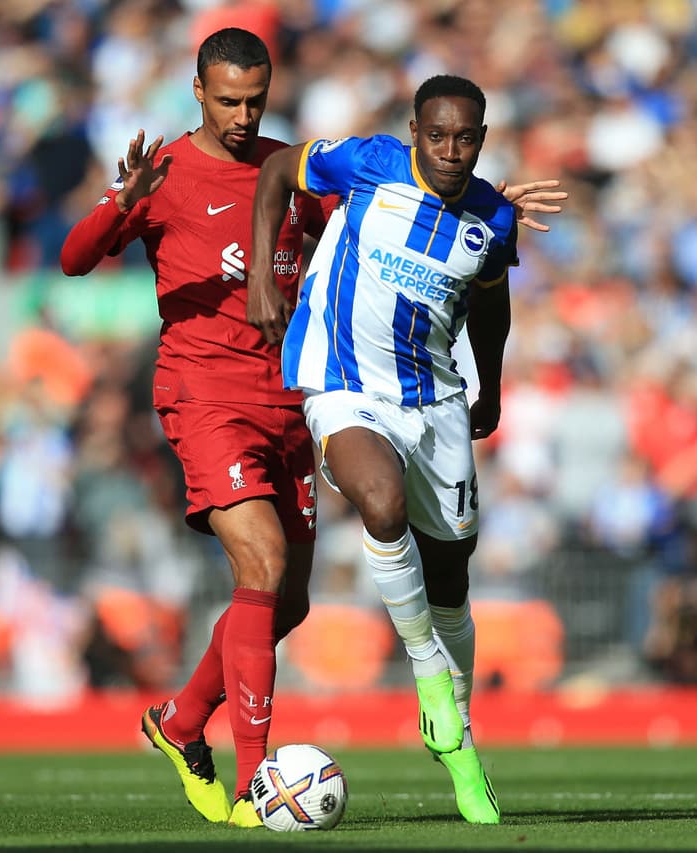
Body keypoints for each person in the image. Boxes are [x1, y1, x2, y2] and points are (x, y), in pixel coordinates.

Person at [62, 31, 563, 827]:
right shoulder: (166, 172)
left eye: (255, 98)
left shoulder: (296, 167)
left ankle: (182, 722)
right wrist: (121, 202)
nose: (243, 113)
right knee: (260, 565)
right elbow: (72, 258)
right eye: (227, 99)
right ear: (197, 90)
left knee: (286, 600)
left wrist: (479, 197)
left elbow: (401, 216)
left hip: (289, 397)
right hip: (206, 395)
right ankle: (254, 785)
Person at [248, 74, 530, 824]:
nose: (449, 150)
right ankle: (427, 674)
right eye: (436, 135)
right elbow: (279, 171)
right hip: (343, 384)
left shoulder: (494, 218)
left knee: (450, 578)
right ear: (414, 130)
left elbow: (492, 303)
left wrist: (489, 388)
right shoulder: (367, 162)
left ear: (481, 139)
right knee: (380, 502)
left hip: (435, 400)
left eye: (465, 137)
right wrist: (263, 279)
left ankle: (458, 732)